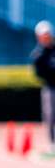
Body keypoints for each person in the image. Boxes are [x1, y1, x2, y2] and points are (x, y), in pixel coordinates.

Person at [31, 20, 55, 155]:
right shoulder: (39, 54)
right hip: (50, 87)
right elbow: (39, 73)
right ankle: (53, 143)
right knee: (50, 115)